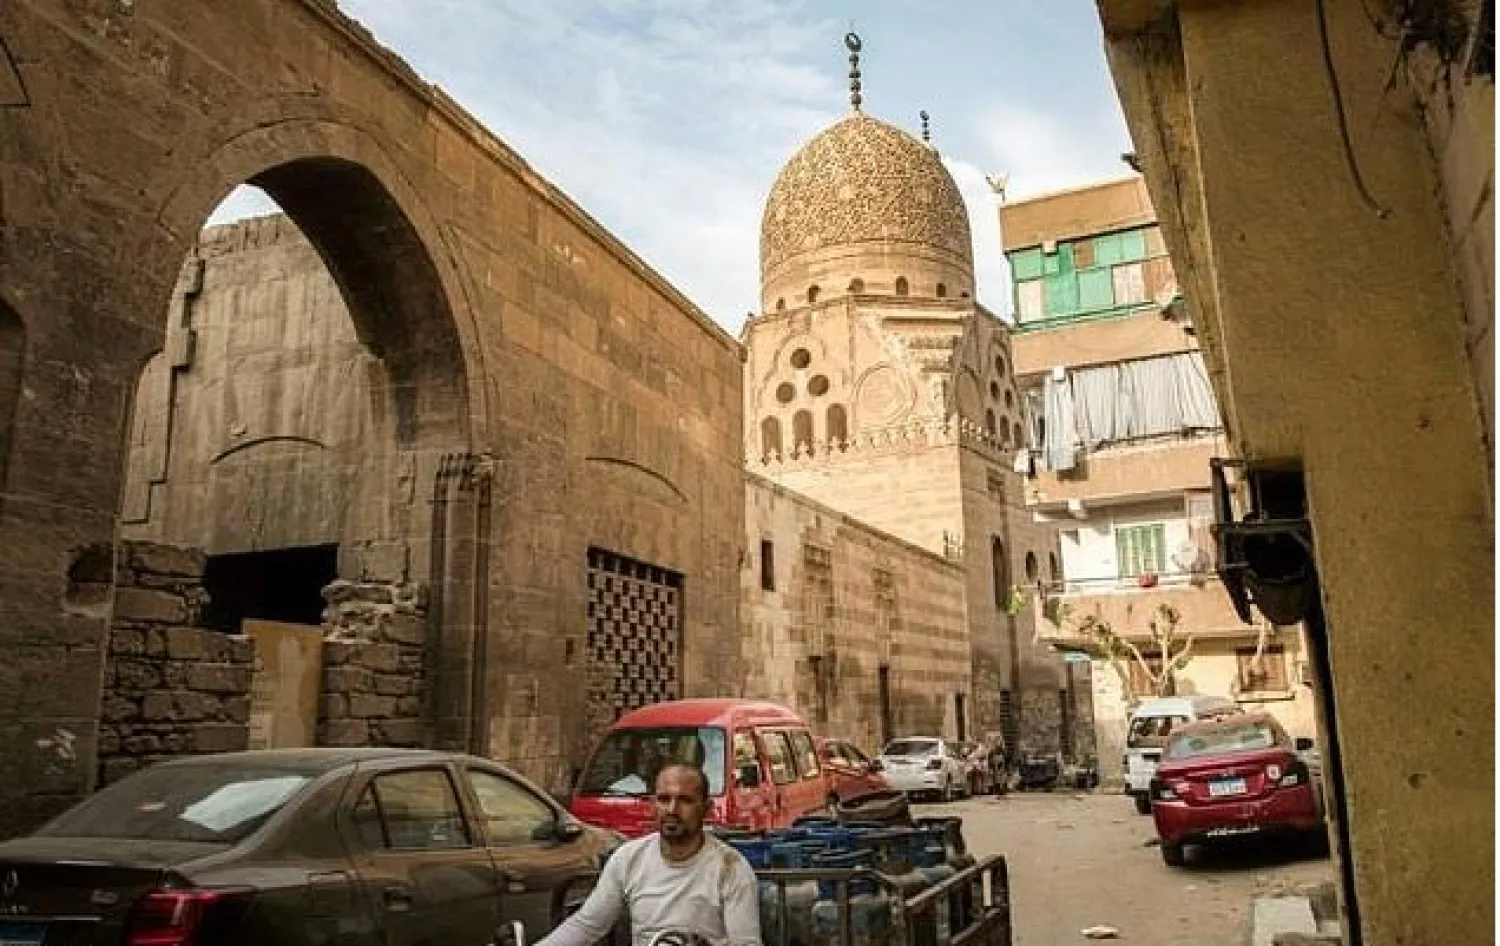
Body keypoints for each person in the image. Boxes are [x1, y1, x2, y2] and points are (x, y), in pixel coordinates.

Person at [535, 763, 762, 946]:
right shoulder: (629, 858)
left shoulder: (731, 868)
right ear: (652, 805)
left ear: (706, 808)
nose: (672, 810)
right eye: (664, 799)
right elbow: (587, 926)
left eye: (685, 800)